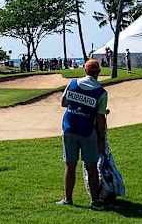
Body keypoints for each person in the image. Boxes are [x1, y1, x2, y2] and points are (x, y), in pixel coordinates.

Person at [56, 59, 108, 210]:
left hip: (69, 129)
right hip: (87, 132)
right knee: (91, 167)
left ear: (85, 70)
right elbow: (100, 118)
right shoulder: (101, 92)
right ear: (98, 72)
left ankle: (68, 199)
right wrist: (101, 138)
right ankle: (95, 201)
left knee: (70, 165)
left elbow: (63, 102)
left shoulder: (72, 83)